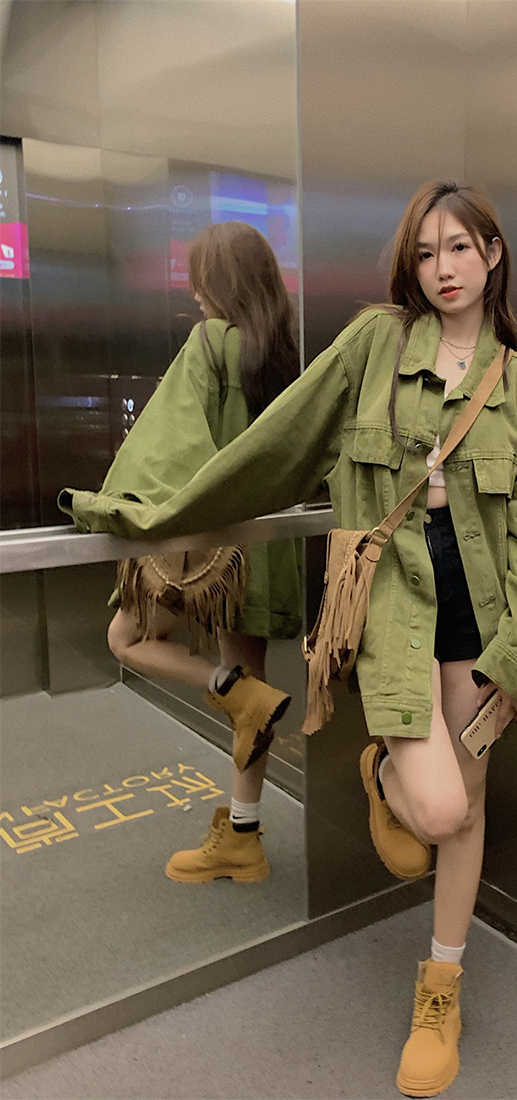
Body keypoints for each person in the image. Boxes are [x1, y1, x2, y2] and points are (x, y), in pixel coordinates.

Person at [61, 182, 517, 1096]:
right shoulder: (377, 343)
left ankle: (442, 987)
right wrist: (148, 512)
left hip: (484, 608)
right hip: (393, 598)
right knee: (437, 811)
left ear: (493, 254)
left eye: (460, 248)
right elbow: (278, 443)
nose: (444, 269)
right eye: (426, 253)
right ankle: (382, 772)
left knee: (470, 800)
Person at [101, 221, 302, 885]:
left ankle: (225, 690)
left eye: (199, 281)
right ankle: (243, 834)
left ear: (220, 284)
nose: (193, 294)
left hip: (213, 554)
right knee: (255, 694)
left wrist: (116, 506)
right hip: (269, 548)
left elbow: (168, 445)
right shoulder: (284, 355)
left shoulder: (209, 342)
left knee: (127, 639)